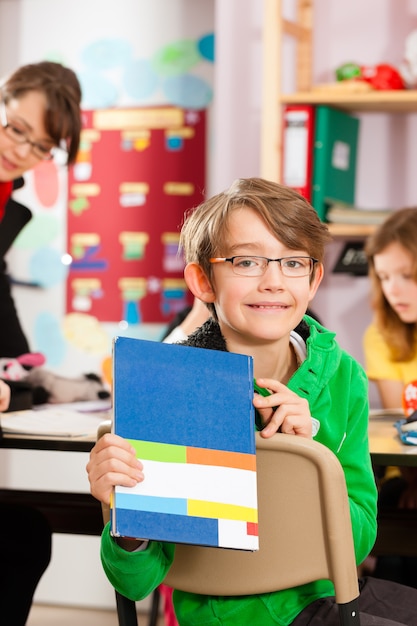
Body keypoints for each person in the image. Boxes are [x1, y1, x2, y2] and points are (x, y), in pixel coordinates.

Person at [87, 178, 417, 626]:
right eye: (246, 261)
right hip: (230, 613)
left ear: (314, 278)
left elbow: (356, 545)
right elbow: (135, 582)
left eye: (294, 263)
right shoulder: (168, 388)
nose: (274, 281)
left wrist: (312, 460)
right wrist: (124, 522)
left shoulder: (343, 376)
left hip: (330, 594)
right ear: (203, 280)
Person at [0, 60, 82, 625]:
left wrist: (26, 365)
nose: (23, 150)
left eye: (42, 145)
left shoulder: (9, 201)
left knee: (25, 536)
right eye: (15, 129)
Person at [364, 206, 417, 587]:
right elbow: (402, 431)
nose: (393, 290)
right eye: (383, 277)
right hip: (408, 476)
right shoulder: (380, 335)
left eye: (406, 275)